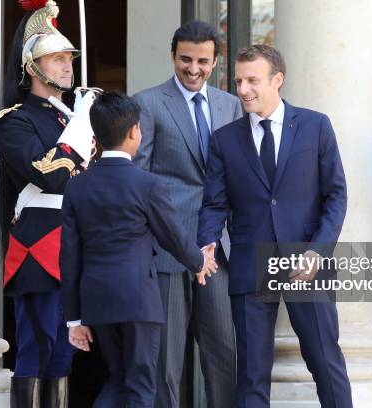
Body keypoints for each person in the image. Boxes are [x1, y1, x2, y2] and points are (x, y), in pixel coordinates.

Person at [197, 44, 353, 407]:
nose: (243, 89)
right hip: (251, 265)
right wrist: (206, 241)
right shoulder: (224, 139)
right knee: (251, 374)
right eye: (238, 80)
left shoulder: (316, 126)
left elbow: (336, 196)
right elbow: (214, 203)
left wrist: (318, 251)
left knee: (325, 362)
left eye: (252, 80)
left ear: (277, 80)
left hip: (307, 263)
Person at [60, 91, 217, 408]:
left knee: (118, 381)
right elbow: (172, 234)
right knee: (141, 386)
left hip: (97, 301)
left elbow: (69, 256)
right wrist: (200, 261)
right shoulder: (147, 184)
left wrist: (74, 319)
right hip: (138, 299)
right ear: (134, 131)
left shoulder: (77, 185)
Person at [132, 20, 241, 407]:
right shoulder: (147, 103)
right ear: (173, 56)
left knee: (225, 355)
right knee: (165, 362)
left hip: (219, 251)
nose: (193, 69)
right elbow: (139, 180)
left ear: (215, 62)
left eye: (203, 61)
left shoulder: (231, 105)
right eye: (185, 60)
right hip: (167, 251)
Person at [0, 0, 95, 405]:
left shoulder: (69, 117)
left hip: (74, 242)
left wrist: (81, 121)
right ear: (32, 67)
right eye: (56, 59)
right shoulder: (15, 119)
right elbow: (49, 174)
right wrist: (80, 127)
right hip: (38, 246)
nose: (68, 66)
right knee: (37, 347)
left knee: (64, 353)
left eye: (69, 58)